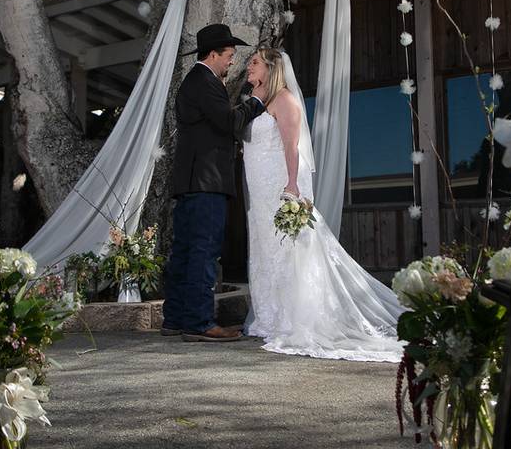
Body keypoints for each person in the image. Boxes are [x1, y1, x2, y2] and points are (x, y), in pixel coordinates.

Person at [241, 47, 407, 362]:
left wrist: (291, 184)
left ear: (272, 69)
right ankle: (270, 317)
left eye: (254, 63)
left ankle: (295, 318)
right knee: (266, 249)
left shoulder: (285, 100)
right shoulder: (255, 104)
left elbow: (292, 146)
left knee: (288, 250)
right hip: (259, 192)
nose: (248, 67)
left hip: (280, 183)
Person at [163, 24, 268, 342]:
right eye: (229, 56)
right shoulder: (205, 82)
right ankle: (199, 323)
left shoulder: (194, 82)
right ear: (212, 54)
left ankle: (176, 319)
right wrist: (256, 101)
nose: (232, 62)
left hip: (191, 182)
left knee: (184, 252)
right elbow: (230, 123)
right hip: (206, 181)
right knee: (203, 252)